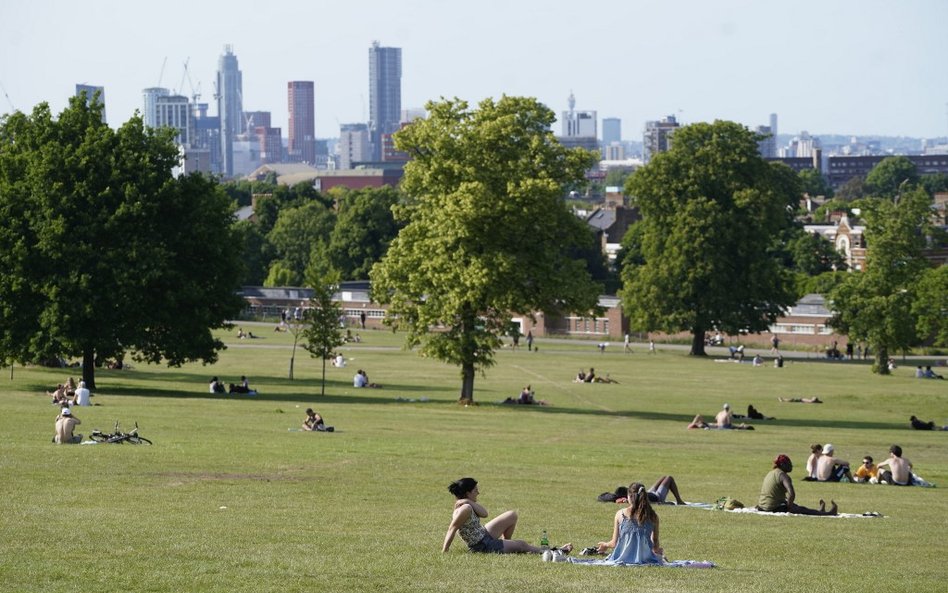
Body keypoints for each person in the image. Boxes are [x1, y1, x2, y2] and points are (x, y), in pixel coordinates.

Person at [442, 477, 568, 555]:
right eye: (475, 490)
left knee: (511, 515)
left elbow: (485, 514)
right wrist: (445, 551)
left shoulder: (468, 505)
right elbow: (451, 529)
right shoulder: (464, 509)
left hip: (484, 534)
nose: (478, 493)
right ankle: (554, 551)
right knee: (522, 545)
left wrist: (468, 501)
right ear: (467, 493)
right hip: (482, 546)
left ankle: (507, 544)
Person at [587, 482, 666, 564]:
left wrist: (605, 545)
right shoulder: (653, 516)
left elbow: (614, 543)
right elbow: (655, 542)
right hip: (646, 559)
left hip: (623, 559)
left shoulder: (620, 514)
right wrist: (657, 551)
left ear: (630, 496)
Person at [757, 455, 837, 515]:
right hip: (772, 508)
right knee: (800, 509)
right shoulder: (783, 476)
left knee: (795, 506)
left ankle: (819, 512)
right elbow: (792, 494)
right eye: (788, 463)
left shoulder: (771, 473)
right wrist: (789, 507)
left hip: (762, 507)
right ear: (782, 465)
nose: (791, 465)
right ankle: (828, 514)